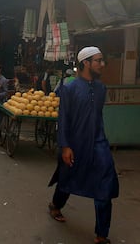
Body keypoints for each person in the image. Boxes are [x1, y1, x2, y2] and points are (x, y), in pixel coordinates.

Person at [48, 47, 119, 244]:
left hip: (98, 143)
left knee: (106, 185)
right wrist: (65, 146)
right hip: (75, 143)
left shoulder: (101, 88)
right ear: (86, 63)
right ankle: (55, 205)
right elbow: (63, 119)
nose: (102, 64)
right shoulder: (69, 88)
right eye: (98, 60)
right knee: (68, 178)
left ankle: (101, 235)